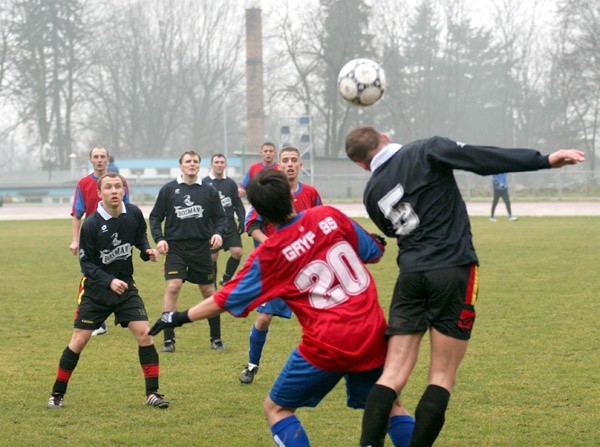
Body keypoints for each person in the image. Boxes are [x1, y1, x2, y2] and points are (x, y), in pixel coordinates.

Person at [344, 125, 585, 447]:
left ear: (361, 164)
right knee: (441, 375)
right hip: (453, 269)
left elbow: (391, 230)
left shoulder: (371, 192)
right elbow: (478, 158)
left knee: (392, 375)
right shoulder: (426, 149)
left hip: (411, 276)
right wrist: (543, 160)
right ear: (386, 138)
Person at [148, 169, 416, 447]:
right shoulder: (328, 215)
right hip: (371, 331)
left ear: (260, 212)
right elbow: (374, 252)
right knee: (390, 405)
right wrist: (376, 240)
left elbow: (224, 299)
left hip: (327, 343)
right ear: (290, 196)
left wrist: (177, 317)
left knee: (276, 409)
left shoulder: (270, 255)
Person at [47, 172, 169, 410]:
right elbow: (87, 265)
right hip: (95, 291)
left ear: (124, 190)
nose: (114, 191)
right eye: (109, 187)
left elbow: (139, 238)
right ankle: (56, 394)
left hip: (125, 287)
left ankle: (152, 394)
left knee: (145, 334)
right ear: (99, 193)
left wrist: (147, 252)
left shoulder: (133, 213)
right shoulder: (91, 224)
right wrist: (109, 280)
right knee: (79, 341)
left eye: (118, 186)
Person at [240, 146, 322, 384]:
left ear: (300, 165)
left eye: (293, 160)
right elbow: (252, 225)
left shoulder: (312, 194)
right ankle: (252, 365)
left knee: (319, 319)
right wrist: (271, 245)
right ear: (278, 165)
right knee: (264, 318)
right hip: (276, 269)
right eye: (284, 160)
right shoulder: (268, 192)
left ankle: (324, 367)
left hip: (306, 268)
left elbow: (319, 222)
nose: (289, 164)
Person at [149, 151, 227, 353]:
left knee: (208, 292)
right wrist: (160, 239)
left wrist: (218, 233)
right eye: (188, 162)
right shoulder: (169, 189)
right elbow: (155, 217)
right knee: (173, 287)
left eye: (195, 162)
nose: (192, 164)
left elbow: (220, 217)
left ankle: (216, 339)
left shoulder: (208, 191)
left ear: (199, 166)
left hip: (201, 249)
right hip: (176, 248)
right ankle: (168, 339)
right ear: (181, 166)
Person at [70, 146, 130, 336]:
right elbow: (78, 214)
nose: (99, 160)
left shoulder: (120, 182)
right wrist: (74, 240)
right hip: (93, 238)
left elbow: (128, 212)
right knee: (93, 275)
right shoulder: (84, 183)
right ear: (91, 160)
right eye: (96, 157)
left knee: (115, 274)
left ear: (107, 159)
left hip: (115, 239)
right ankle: (98, 319)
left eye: (102, 156)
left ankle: (120, 313)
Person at [203, 153, 246, 287]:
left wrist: (242, 218)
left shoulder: (230, 183)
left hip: (229, 223)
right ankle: (212, 284)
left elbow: (237, 203)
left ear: (225, 165)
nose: (219, 165)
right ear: (211, 165)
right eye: (216, 162)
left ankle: (226, 278)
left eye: (222, 162)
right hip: (212, 225)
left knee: (237, 252)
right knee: (212, 257)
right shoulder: (204, 183)